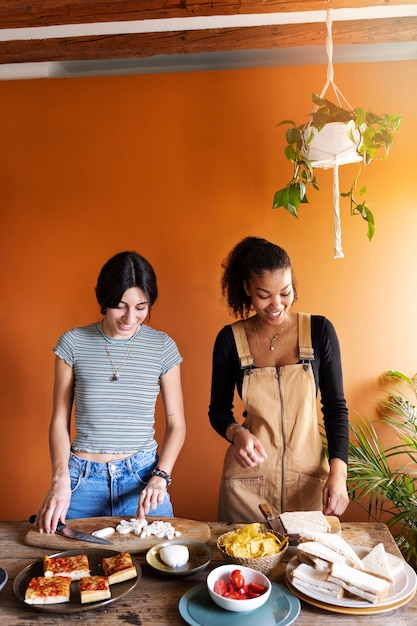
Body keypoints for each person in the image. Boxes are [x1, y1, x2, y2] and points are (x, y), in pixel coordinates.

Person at [36, 251, 186, 533]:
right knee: (66, 569)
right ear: (103, 300)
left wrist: (161, 476)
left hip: (143, 480)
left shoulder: (162, 347)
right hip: (81, 481)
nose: (130, 317)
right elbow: (59, 420)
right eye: (120, 306)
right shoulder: (73, 343)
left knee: (161, 566)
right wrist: (60, 478)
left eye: (141, 307)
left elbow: (177, 424)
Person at [209, 236, 349, 523]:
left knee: (306, 566)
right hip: (246, 488)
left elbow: (335, 409)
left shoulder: (319, 331)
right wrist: (237, 434)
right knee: (243, 565)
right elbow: (218, 411)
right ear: (247, 288)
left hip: (308, 483)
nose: (276, 305)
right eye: (264, 295)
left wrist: (339, 473)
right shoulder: (229, 339)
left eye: (285, 293)